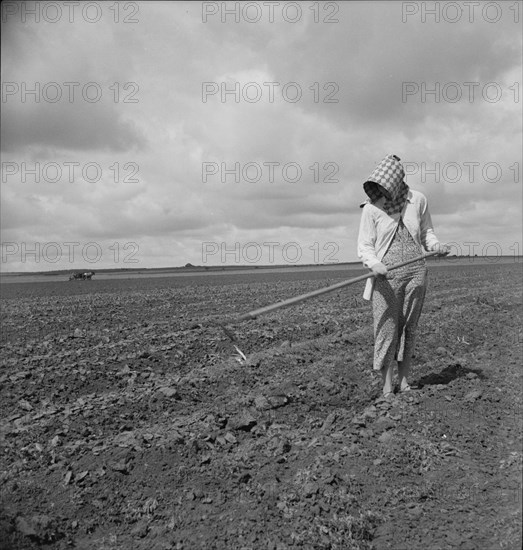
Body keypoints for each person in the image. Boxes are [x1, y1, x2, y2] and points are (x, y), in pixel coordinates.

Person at [357, 154, 449, 398]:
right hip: (386, 276)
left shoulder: (418, 200)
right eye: (378, 188)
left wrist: (436, 246)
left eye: (386, 187)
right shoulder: (371, 208)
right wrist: (375, 264)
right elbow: (365, 245)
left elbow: (427, 232)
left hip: (416, 271)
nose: (382, 193)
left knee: (410, 326)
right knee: (386, 327)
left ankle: (405, 382)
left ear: (397, 183)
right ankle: (387, 386)